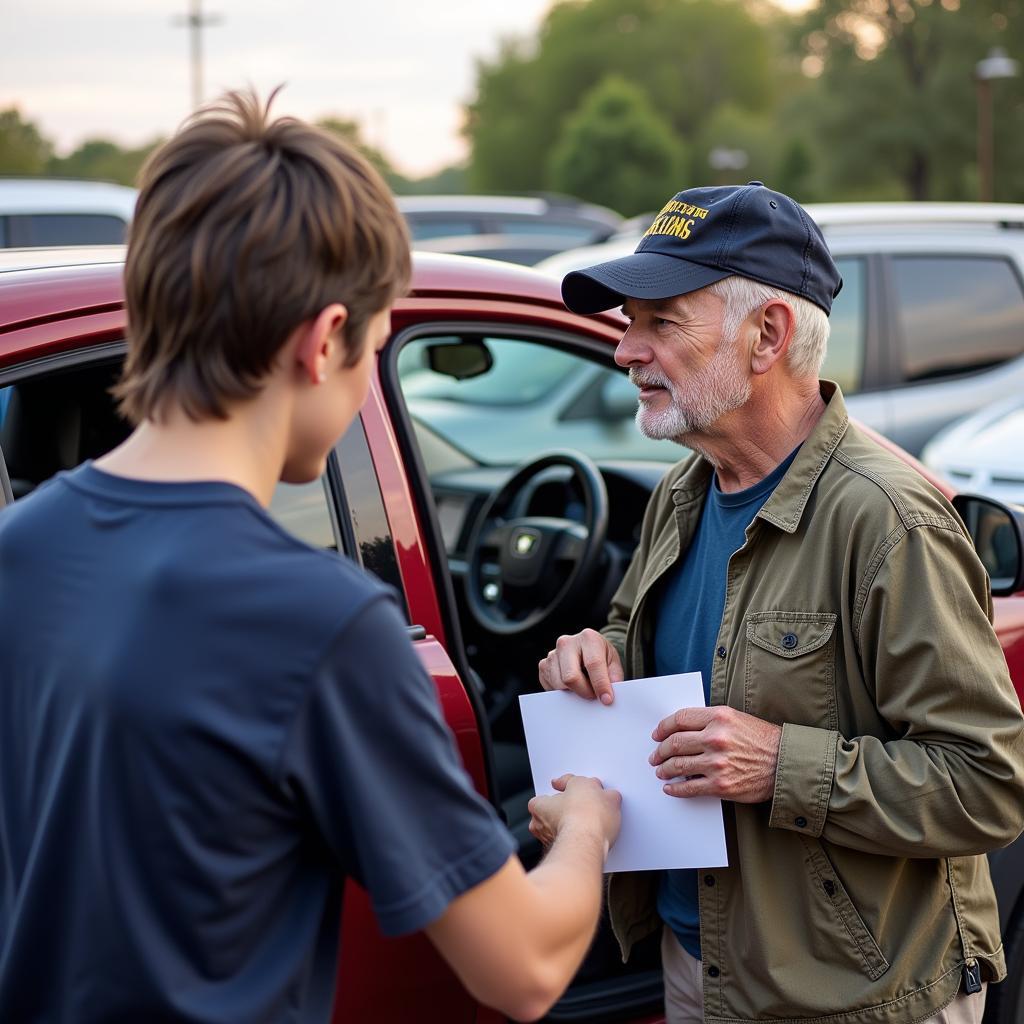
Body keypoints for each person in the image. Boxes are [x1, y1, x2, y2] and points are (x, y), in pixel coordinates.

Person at [0, 90, 621, 1024]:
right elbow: (525, 968)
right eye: (374, 347)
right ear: (324, 340)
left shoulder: (19, 552)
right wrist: (588, 830)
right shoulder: (323, 624)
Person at [538, 181, 1024, 1024]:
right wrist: (601, 652)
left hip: (857, 1000)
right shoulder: (683, 490)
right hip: (701, 966)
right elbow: (644, 627)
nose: (625, 351)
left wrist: (778, 766)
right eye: (628, 323)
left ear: (768, 335)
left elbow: (987, 786)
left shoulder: (889, 521)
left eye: (659, 321)